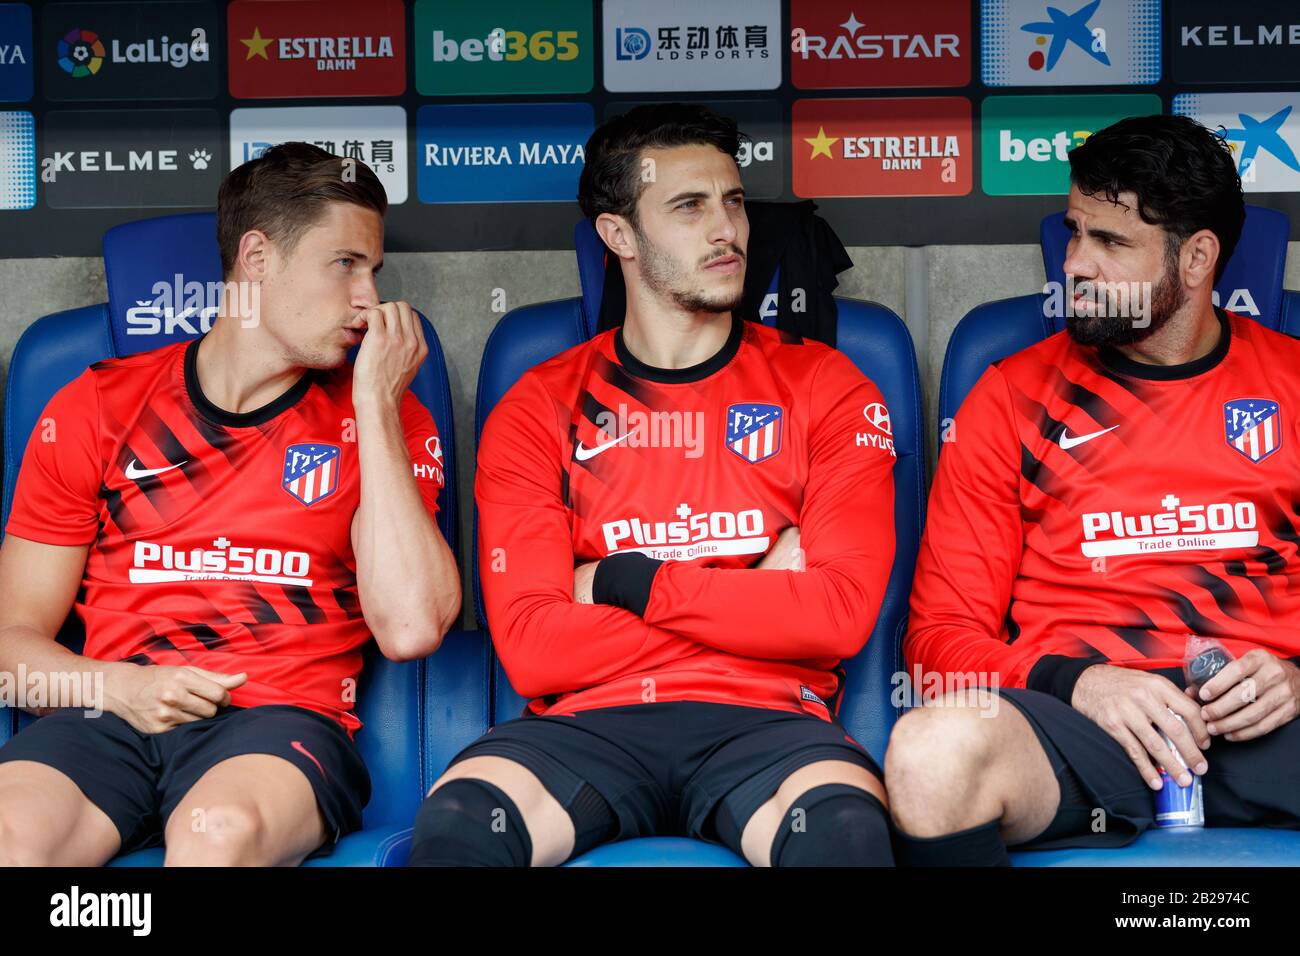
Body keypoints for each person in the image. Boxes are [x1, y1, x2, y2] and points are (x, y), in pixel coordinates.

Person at [407, 104, 897, 868]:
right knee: (462, 826)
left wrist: (621, 580)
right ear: (619, 236)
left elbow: (836, 617)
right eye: (689, 206)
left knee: (843, 837)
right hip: (585, 725)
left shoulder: (827, 386)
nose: (726, 229)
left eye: (733, 201)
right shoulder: (538, 404)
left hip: (767, 720)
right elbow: (534, 652)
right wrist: (756, 595)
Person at [0, 142, 460, 865]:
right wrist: (121, 687)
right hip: (109, 714)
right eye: (345, 264)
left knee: (216, 834)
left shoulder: (387, 418)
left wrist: (375, 403)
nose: (370, 298)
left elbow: (410, 628)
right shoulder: (96, 405)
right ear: (256, 259)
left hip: (276, 723)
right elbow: (11, 651)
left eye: (374, 271)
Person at [888, 114, 1300, 865]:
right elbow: (936, 646)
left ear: (1199, 256)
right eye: (1075, 233)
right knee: (930, 753)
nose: (1076, 264)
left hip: (1267, 722)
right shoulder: (1011, 397)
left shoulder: (1292, 386)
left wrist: (1296, 677)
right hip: (1083, 730)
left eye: (1110, 243)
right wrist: (1078, 684)